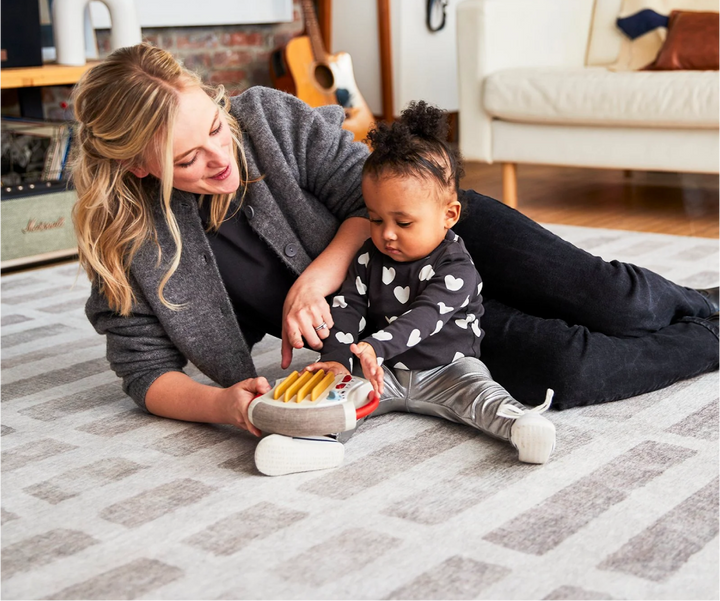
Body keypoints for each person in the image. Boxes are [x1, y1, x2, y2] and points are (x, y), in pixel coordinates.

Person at [72, 43, 720, 477]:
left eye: (214, 127)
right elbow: (144, 370)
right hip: (395, 330)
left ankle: (705, 301)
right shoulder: (127, 245)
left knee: (618, 303)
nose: (220, 156)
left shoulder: (264, 119)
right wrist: (224, 407)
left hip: (434, 230)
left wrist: (319, 275)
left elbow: (372, 187)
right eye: (187, 159)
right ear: (134, 164)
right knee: (568, 371)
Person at [304, 102, 556, 464]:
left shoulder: (457, 267)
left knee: (482, 395)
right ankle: (313, 441)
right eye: (375, 219)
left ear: (448, 215)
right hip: (383, 372)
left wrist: (375, 346)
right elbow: (348, 307)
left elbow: (426, 316)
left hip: (448, 369)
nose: (386, 234)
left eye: (403, 223)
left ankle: (522, 427)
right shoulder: (366, 257)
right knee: (334, 393)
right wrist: (337, 360)